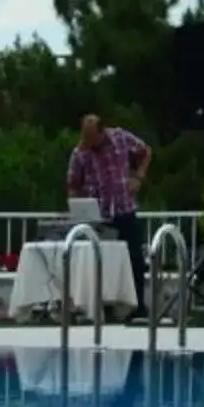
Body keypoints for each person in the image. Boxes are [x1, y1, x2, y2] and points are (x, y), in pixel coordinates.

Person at [65, 114, 153, 311]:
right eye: (84, 137)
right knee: (100, 262)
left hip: (124, 209)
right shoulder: (80, 152)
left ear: (101, 131)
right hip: (98, 216)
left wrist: (138, 176)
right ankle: (101, 307)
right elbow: (72, 184)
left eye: (91, 137)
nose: (87, 142)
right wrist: (77, 206)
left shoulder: (120, 138)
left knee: (135, 259)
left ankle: (137, 306)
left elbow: (145, 151)